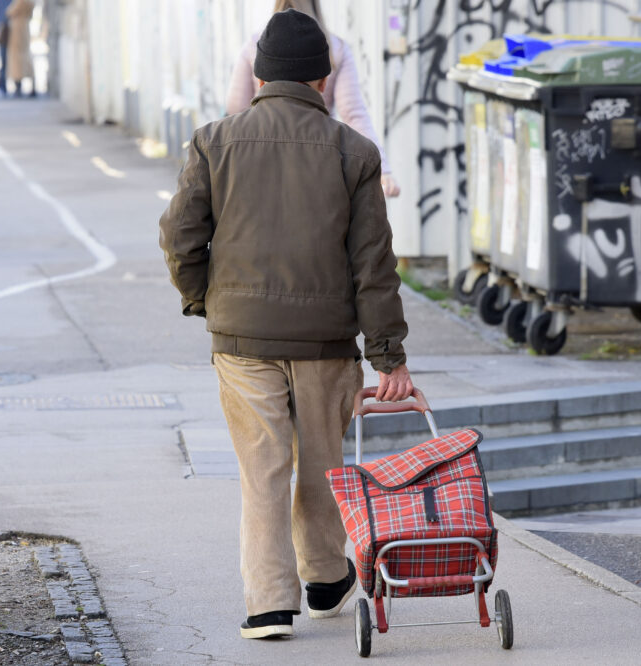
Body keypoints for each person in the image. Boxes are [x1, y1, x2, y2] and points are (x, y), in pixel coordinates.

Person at [159, 9, 413, 640]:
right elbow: (374, 266)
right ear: (323, 79)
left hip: (242, 341)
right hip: (327, 344)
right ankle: (327, 580)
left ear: (260, 74)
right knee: (325, 463)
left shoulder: (213, 141)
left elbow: (179, 235)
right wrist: (388, 357)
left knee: (263, 468)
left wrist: (204, 300)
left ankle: (269, 605)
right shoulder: (355, 153)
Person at [226, 0, 400, 198]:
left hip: (261, 157)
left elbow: (236, 107)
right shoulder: (336, 48)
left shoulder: (255, 46)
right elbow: (354, 114)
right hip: (320, 161)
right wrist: (382, 169)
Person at [5, 0, 36, 98]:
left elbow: (10, 11)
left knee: (17, 58)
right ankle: (30, 85)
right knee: (25, 56)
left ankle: (18, 86)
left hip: (17, 29)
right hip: (25, 28)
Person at [0, 0, 12, 95]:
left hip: (11, 32)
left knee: (7, 61)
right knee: (4, 61)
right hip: (4, 32)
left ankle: (6, 86)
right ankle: (3, 86)